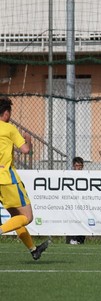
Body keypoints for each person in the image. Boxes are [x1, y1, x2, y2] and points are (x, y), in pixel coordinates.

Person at [0, 97, 49, 260]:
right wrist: (28, 139)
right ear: (6, 113)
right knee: (27, 217)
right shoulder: (9, 128)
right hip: (7, 178)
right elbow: (26, 150)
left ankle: (34, 250)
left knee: (16, 218)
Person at [66, 157, 86, 245]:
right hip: (72, 202)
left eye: (80, 166)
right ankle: (72, 238)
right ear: (73, 166)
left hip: (82, 203)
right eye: (77, 166)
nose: (79, 168)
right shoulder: (69, 175)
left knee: (83, 219)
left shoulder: (86, 176)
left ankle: (80, 239)